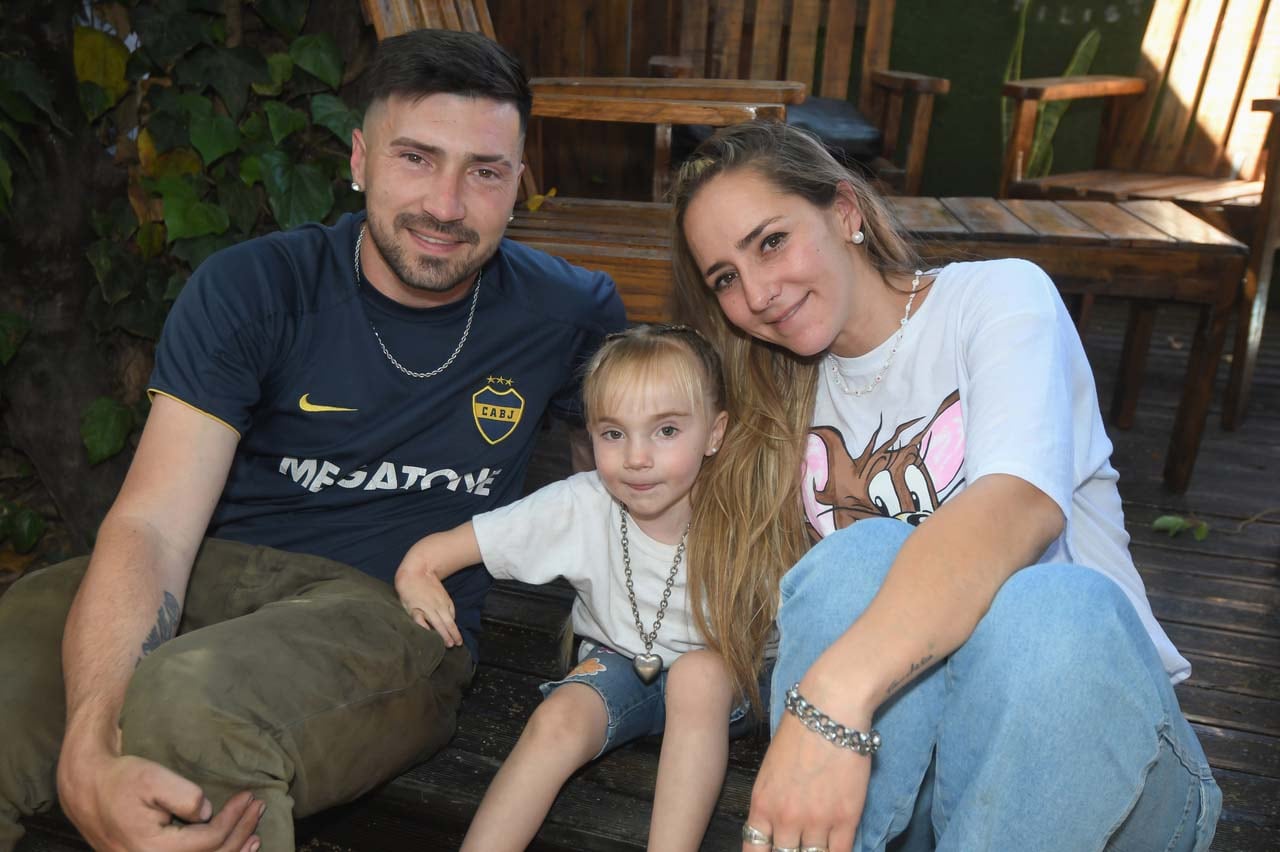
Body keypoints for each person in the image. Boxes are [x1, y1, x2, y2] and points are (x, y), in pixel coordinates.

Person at [0, 29, 625, 852]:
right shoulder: (254, 289)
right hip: (220, 578)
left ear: (519, 185)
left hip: (400, 613)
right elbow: (153, 524)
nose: (445, 205)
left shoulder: (569, 315)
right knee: (13, 660)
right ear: (360, 159)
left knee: (194, 707)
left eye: (483, 172)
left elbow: (620, 484)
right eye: (416, 158)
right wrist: (85, 748)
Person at [667, 121, 1221, 852]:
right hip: (926, 793)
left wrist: (831, 697)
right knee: (848, 566)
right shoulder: (777, 410)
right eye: (726, 279)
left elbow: (1018, 506)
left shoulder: (996, 298)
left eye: (771, 241)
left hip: (1098, 771)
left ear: (845, 212)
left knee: (1054, 609)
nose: (759, 292)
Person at [395, 324, 740, 851]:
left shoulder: (744, 511)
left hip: (726, 680)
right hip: (621, 660)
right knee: (556, 718)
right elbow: (434, 554)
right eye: (614, 433)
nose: (637, 457)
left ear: (714, 433)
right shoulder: (581, 502)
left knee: (698, 676)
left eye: (666, 431)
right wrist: (414, 575)